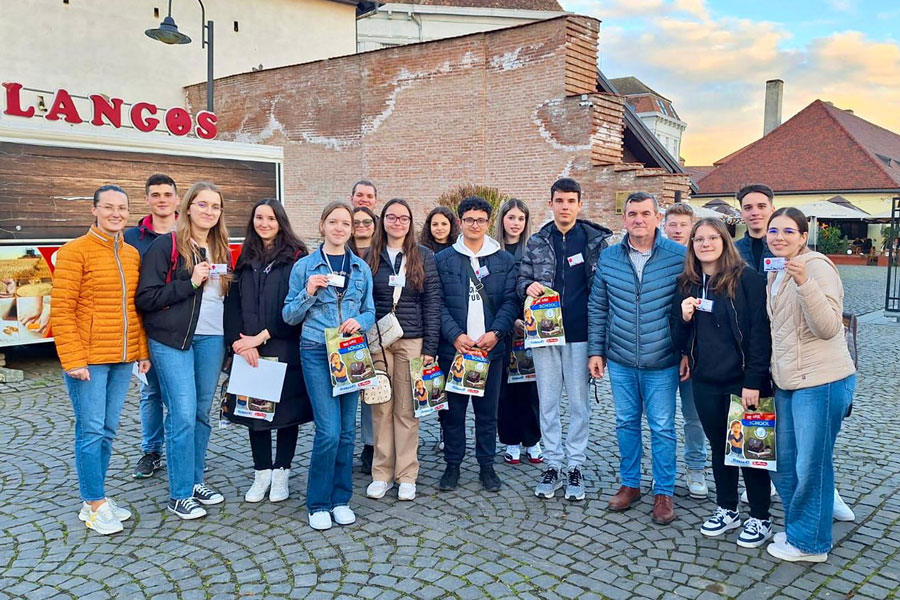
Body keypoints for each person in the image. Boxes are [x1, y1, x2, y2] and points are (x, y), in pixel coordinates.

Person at [670, 217, 774, 548]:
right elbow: (677, 336)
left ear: (724, 241)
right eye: (699, 239)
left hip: (743, 381)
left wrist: (754, 379)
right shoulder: (687, 283)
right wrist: (684, 318)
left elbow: (760, 334)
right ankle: (727, 508)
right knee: (720, 448)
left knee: (751, 452)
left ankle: (761, 516)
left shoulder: (747, 279)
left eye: (712, 237)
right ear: (692, 245)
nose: (705, 244)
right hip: (705, 380)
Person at [52, 185, 151, 535]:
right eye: (108, 207)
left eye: (122, 208)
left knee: (107, 431)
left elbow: (134, 309)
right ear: (94, 210)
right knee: (91, 430)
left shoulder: (131, 254)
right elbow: (61, 310)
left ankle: (95, 498)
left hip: (121, 359)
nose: (115, 214)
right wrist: (73, 360)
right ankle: (94, 503)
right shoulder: (74, 251)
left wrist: (141, 351)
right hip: (88, 361)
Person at [763, 207, 856, 563]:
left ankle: (811, 544)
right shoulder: (777, 271)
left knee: (811, 465)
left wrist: (805, 283)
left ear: (804, 236)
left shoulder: (816, 266)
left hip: (821, 381)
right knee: (783, 462)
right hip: (787, 380)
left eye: (789, 231)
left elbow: (829, 327)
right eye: (774, 231)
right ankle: (801, 527)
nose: (779, 237)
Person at [587, 192, 686, 524]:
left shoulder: (678, 256)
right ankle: (630, 484)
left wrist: (686, 352)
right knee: (626, 423)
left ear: (658, 218)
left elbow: (689, 308)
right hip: (620, 357)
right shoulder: (609, 257)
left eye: (645, 213)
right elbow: (598, 307)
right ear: (624, 219)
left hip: (662, 358)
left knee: (662, 427)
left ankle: (664, 492)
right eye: (632, 214)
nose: (638, 219)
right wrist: (596, 351)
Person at [136, 181, 230, 520]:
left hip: (212, 338)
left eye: (215, 206)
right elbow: (146, 298)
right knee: (183, 413)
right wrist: (189, 283)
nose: (209, 211)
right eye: (202, 204)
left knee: (201, 413)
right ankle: (179, 495)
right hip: (172, 340)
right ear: (188, 207)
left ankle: (194, 480)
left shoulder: (222, 248)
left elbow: (226, 299)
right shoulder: (167, 245)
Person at [282, 201, 376, 530]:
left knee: (347, 432)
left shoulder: (360, 268)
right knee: (329, 431)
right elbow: (289, 315)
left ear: (352, 230)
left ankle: (341, 499)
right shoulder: (305, 267)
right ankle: (318, 502)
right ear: (322, 225)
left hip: (350, 352)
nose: (339, 228)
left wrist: (359, 322)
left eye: (345, 224)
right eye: (333, 222)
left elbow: (370, 311)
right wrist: (308, 292)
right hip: (316, 350)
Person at [518, 179, 612, 500]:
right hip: (545, 335)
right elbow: (521, 279)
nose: (565, 207)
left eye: (571, 201)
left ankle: (575, 465)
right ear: (551, 204)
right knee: (547, 402)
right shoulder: (537, 241)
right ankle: (553, 463)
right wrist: (527, 287)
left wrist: (600, 343)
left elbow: (605, 290)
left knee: (578, 404)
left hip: (580, 334)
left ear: (579, 205)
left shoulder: (594, 242)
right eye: (559, 201)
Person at [224, 199, 313, 503]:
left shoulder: (297, 257)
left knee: (286, 415)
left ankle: (281, 473)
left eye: (271, 218)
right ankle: (261, 472)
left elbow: (298, 307)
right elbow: (232, 304)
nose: (264, 223)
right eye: (259, 217)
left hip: (283, 344)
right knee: (255, 413)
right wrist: (238, 343)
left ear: (281, 222)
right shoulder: (245, 257)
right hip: (248, 349)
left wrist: (261, 337)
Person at [434, 196, 518, 492]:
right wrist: (455, 335)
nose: (475, 225)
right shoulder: (443, 260)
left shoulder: (504, 260)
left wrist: (496, 333)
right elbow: (437, 303)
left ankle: (486, 466)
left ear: (488, 223)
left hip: (489, 350)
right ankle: (452, 465)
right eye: (469, 219)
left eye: (481, 220)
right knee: (453, 414)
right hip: (456, 350)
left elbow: (511, 301)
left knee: (487, 413)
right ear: (459, 222)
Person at [365, 198, 442, 501]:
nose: (397, 222)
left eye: (404, 218)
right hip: (378, 342)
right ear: (383, 221)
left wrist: (430, 347)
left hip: (412, 340)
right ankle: (381, 473)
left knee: (408, 409)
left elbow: (432, 302)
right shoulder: (370, 255)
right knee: (381, 407)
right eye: (392, 217)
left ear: (410, 223)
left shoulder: (423, 255)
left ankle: (407, 474)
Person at [125, 173, 179, 480]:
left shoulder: (189, 233)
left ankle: (180, 450)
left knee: (180, 397)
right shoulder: (132, 238)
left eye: (167, 194)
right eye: (155, 194)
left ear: (177, 199)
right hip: (145, 327)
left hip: (181, 328)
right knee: (151, 393)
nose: (162, 200)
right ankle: (151, 451)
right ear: (146, 199)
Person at [663, 203, 709, 499]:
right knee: (661, 420)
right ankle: (663, 473)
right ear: (664, 226)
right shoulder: (658, 258)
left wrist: (688, 352)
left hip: (693, 354)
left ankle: (696, 468)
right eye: (673, 224)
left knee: (694, 417)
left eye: (683, 225)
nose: (678, 230)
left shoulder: (703, 262)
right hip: (662, 352)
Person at [495, 198, 543, 466]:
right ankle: (511, 440)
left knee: (531, 387)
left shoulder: (533, 251)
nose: (515, 223)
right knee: (505, 390)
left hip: (530, 329)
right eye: (511, 217)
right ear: (502, 219)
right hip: (503, 328)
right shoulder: (492, 250)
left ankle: (533, 439)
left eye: (521, 219)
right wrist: (509, 320)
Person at [349, 204, 378, 473]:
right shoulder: (341, 253)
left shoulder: (381, 254)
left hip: (374, 330)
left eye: (366, 222)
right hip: (344, 334)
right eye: (355, 222)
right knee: (347, 391)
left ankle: (371, 444)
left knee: (371, 390)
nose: (361, 226)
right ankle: (345, 445)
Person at [735, 184, 776, 273]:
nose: (755, 213)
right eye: (748, 208)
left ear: (772, 210)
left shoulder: (785, 248)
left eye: (761, 206)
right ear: (742, 213)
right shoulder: (732, 251)